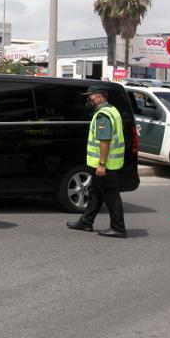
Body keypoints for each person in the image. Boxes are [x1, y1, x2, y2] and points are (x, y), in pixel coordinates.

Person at [66, 84, 127, 238]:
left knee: (111, 196)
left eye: (91, 96)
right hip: (105, 164)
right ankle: (86, 222)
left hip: (106, 165)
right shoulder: (111, 110)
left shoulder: (103, 115)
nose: (89, 99)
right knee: (95, 193)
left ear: (100, 96)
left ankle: (118, 228)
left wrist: (102, 164)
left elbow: (104, 141)